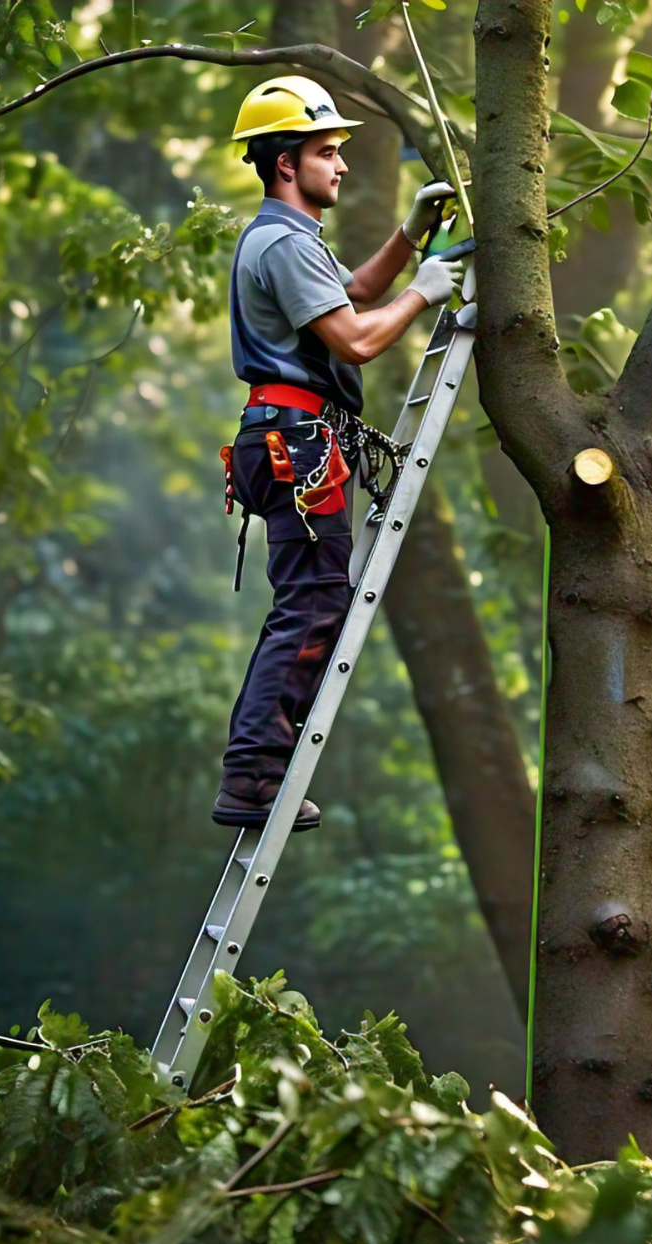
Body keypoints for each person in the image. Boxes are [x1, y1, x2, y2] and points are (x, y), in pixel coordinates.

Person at [213, 76, 463, 832]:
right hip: (297, 443)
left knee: (310, 597)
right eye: (327, 151)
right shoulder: (283, 242)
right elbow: (354, 337)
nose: (342, 166)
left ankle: (258, 762)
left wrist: (408, 238)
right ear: (286, 162)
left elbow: (346, 296)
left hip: (287, 437)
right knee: (315, 600)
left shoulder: (287, 242)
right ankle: (255, 774)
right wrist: (422, 293)